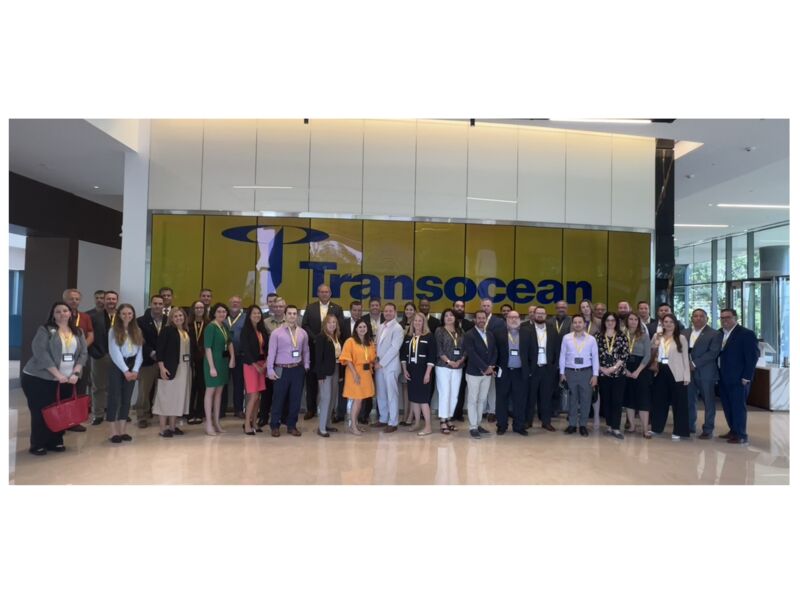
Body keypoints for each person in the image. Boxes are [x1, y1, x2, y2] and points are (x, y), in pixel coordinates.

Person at [21, 302, 88, 455]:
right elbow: (40, 353)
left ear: (70, 313)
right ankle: (38, 444)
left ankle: (55, 441)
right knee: (41, 412)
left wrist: (76, 372)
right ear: (53, 314)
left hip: (67, 379)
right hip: (39, 378)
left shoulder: (78, 331)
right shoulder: (45, 330)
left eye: (65, 310)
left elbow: (83, 353)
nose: (62, 314)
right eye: (58, 311)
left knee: (60, 411)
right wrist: (57, 375)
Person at [302, 284, 344, 421]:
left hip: (331, 352)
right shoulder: (310, 307)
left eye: (327, 292)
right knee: (312, 380)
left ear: (330, 293)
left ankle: (330, 411)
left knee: (331, 384)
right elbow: (305, 325)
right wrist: (317, 339)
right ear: (318, 293)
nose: (324, 294)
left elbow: (340, 328)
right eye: (322, 291)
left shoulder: (337, 308)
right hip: (314, 349)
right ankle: (311, 409)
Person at [267, 305, 310, 437]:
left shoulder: (302, 333)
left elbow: (306, 350)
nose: (292, 316)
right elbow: (271, 352)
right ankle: (275, 425)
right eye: (290, 313)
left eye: (294, 314)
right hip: (281, 369)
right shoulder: (276, 333)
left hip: (297, 369)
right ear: (285, 315)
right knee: (278, 399)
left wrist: (306, 365)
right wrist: (270, 369)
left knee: (295, 399)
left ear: (297, 316)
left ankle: (292, 425)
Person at [717, 308, 759, 444]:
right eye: (722, 318)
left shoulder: (746, 334)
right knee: (727, 405)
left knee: (738, 407)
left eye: (728, 317)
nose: (725, 320)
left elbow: (752, 357)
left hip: (739, 378)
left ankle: (741, 435)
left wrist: (747, 377)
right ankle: (733, 430)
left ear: (735, 318)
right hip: (723, 377)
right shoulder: (720, 333)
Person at [649, 314, 691, 440]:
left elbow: (685, 357)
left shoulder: (681, 338)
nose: (668, 324)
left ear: (675, 324)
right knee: (659, 401)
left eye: (671, 322)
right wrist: (655, 346)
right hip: (660, 370)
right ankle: (656, 428)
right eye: (665, 322)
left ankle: (679, 431)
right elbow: (651, 351)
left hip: (677, 372)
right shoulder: (657, 336)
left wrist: (686, 375)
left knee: (679, 403)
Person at [107, 303, 144, 444]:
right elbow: (114, 352)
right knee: (114, 397)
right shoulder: (113, 330)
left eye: (129, 313)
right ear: (119, 315)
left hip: (132, 365)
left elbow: (140, 353)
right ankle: (113, 431)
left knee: (126, 398)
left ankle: (122, 430)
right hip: (118, 365)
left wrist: (135, 370)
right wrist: (125, 370)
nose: (127, 316)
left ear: (133, 315)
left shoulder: (137, 330)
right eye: (123, 313)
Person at [683, 308, 722, 438]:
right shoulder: (685, 332)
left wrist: (694, 364)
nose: (698, 318)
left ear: (707, 319)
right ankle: (689, 426)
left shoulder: (715, 334)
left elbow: (713, 353)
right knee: (689, 400)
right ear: (692, 318)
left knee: (708, 402)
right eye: (695, 316)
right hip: (688, 372)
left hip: (706, 372)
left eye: (701, 316)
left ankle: (708, 429)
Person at [153, 308, 191, 437]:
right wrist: (162, 367)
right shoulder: (167, 330)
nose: (179, 318)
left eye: (181, 315)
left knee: (177, 398)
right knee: (165, 398)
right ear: (171, 318)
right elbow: (160, 350)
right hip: (170, 369)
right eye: (176, 316)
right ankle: (162, 429)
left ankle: (173, 427)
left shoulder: (185, 331)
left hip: (184, 369)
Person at [493, 310, 532, 436]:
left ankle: (519, 426)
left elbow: (533, 352)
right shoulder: (498, 333)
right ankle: (501, 425)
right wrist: (494, 368)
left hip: (520, 372)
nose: (513, 319)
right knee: (501, 400)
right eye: (511, 317)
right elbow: (494, 352)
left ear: (520, 319)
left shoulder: (527, 333)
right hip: (503, 371)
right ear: (506, 319)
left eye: (516, 317)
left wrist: (529, 369)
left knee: (520, 400)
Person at [559, 314, 599, 437]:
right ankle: (571, 424)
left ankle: (583, 425)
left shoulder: (591, 339)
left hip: (586, 372)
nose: (577, 324)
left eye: (580, 322)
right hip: (570, 372)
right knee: (572, 400)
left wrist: (595, 375)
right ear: (572, 324)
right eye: (575, 322)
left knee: (586, 400)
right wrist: (562, 373)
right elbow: (562, 355)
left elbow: (595, 358)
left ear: (584, 324)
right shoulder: (566, 338)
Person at [460, 310, 497, 438]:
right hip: (474, 373)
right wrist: (484, 367)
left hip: (487, 374)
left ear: (486, 319)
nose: (481, 320)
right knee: (473, 400)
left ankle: (478, 424)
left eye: (483, 318)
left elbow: (494, 351)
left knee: (482, 400)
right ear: (475, 320)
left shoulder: (490, 334)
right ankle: (473, 427)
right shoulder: (469, 334)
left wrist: (491, 366)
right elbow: (471, 353)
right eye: (479, 318)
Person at [62, 288, 94, 430]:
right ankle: (63, 419)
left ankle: (75, 421)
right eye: (71, 299)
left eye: (77, 299)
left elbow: (91, 334)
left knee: (80, 389)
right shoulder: (60, 315)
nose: (74, 301)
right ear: (65, 300)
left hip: (81, 358)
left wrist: (81, 348)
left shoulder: (85, 316)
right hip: (64, 359)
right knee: (65, 389)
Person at [400, 312, 435, 436]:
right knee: (414, 399)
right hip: (411, 371)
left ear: (424, 322)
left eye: (420, 321)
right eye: (415, 321)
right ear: (412, 322)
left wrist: (427, 373)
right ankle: (416, 423)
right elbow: (403, 355)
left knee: (423, 400)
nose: (417, 323)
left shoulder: (429, 336)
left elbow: (431, 356)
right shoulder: (408, 337)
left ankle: (428, 426)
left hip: (423, 371)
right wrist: (405, 370)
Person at [595, 312, 630, 439]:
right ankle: (609, 426)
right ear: (604, 322)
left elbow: (625, 354)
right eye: (608, 320)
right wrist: (602, 369)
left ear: (616, 322)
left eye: (613, 320)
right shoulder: (597, 336)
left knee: (617, 400)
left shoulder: (622, 336)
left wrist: (613, 368)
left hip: (618, 374)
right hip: (602, 373)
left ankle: (616, 428)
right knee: (606, 400)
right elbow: (593, 354)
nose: (610, 323)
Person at [203, 303, 235, 436]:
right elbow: (207, 348)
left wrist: (232, 358)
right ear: (214, 313)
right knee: (210, 392)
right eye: (219, 311)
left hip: (223, 363)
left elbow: (229, 343)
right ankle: (208, 424)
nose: (222, 314)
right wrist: (212, 367)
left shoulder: (224, 326)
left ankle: (216, 422)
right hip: (213, 363)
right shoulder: (211, 327)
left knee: (219, 393)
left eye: (224, 311)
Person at [135, 294, 167, 428]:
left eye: (160, 304)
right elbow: (139, 340)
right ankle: (142, 416)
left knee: (163, 389)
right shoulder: (140, 321)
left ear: (163, 305)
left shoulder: (168, 320)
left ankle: (162, 414)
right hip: (148, 360)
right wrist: (151, 352)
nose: (158, 306)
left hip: (164, 361)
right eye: (155, 303)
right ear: (150, 304)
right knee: (144, 390)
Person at [339, 321, 376, 436]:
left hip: (366, 374)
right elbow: (347, 359)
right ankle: (353, 426)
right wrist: (355, 373)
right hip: (354, 373)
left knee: (360, 400)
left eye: (364, 327)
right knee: (357, 400)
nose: (362, 329)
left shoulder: (369, 342)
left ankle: (355, 423)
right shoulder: (350, 341)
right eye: (360, 327)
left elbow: (372, 358)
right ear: (356, 329)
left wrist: (375, 363)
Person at [373, 302, 404, 433]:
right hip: (379, 365)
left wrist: (381, 363)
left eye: (390, 311)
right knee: (381, 393)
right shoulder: (381, 326)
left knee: (392, 394)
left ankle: (393, 422)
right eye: (386, 311)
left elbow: (394, 349)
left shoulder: (398, 328)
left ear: (395, 312)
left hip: (390, 366)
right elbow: (376, 344)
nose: (388, 313)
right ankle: (383, 418)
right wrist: (375, 359)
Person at [88, 290, 118, 425]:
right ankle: (98, 414)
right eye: (108, 299)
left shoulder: (122, 315)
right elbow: (89, 336)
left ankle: (114, 412)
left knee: (115, 386)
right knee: (98, 387)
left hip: (118, 357)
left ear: (117, 300)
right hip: (100, 355)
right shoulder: (94, 317)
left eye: (113, 299)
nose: (111, 301)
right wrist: (94, 352)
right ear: (104, 301)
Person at [621, 313, 653, 438]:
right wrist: (625, 370)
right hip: (625, 367)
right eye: (631, 319)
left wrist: (638, 371)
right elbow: (618, 354)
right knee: (629, 398)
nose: (633, 321)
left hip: (641, 369)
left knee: (643, 399)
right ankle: (632, 426)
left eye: (636, 319)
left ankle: (645, 429)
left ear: (639, 322)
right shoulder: (622, 335)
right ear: (627, 321)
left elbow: (648, 355)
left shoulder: (644, 336)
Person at [528, 306, 559, 431]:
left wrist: (554, 366)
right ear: (534, 315)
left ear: (546, 315)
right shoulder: (527, 329)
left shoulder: (552, 329)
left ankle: (546, 422)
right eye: (538, 313)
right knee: (530, 397)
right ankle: (528, 421)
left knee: (546, 397)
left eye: (542, 313)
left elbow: (556, 349)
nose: (540, 315)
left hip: (547, 369)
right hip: (533, 368)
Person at [434, 308, 465, 434]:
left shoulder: (460, 331)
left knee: (454, 394)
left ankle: (449, 418)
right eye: (446, 315)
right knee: (445, 393)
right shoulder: (439, 330)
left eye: (451, 315)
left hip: (458, 366)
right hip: (443, 366)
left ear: (455, 318)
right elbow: (438, 349)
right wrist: (449, 361)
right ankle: (443, 420)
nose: (449, 317)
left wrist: (461, 360)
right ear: (443, 318)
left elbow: (465, 348)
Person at [332, 300, 363, 424]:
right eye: (354, 310)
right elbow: (338, 341)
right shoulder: (343, 323)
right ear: (350, 311)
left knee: (361, 389)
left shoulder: (365, 324)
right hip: (345, 362)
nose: (357, 312)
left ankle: (361, 416)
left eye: (359, 310)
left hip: (360, 363)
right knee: (343, 388)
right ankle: (340, 414)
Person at [240, 305, 269, 435]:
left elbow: (266, 348)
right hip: (251, 365)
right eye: (254, 313)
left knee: (259, 397)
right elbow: (245, 350)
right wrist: (256, 366)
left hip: (262, 364)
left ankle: (255, 423)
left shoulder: (261, 329)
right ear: (249, 315)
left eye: (259, 313)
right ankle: (247, 424)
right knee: (254, 395)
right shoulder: (246, 330)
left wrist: (266, 363)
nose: (257, 315)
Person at [260, 296, 287, 427]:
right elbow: (263, 343)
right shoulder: (265, 322)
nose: (278, 309)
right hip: (270, 361)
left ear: (285, 307)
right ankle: (264, 417)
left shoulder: (291, 321)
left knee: (284, 391)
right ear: (272, 307)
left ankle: (283, 417)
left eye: (281, 306)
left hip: (285, 362)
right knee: (267, 391)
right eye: (276, 306)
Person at [314, 314, 342, 437]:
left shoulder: (336, 337)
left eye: (334, 322)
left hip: (336, 369)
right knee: (326, 398)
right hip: (325, 372)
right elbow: (318, 358)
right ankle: (321, 428)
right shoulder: (321, 337)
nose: (332, 325)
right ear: (325, 324)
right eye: (329, 322)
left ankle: (327, 424)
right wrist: (320, 375)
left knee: (333, 398)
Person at [222, 296, 247, 419]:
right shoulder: (223, 316)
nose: (235, 304)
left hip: (240, 355)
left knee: (239, 384)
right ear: (229, 304)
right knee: (222, 383)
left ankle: (238, 409)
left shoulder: (246, 318)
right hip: (224, 355)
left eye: (237, 302)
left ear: (241, 304)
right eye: (233, 302)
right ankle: (221, 409)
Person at [451, 299, 473, 422]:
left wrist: (463, 359)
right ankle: (449, 412)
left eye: (462, 306)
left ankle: (458, 413)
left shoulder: (469, 324)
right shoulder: (448, 323)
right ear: (453, 307)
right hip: (449, 362)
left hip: (465, 361)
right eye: (457, 306)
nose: (459, 308)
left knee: (461, 388)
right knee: (450, 388)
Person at [187, 301, 208, 425]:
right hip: (190, 359)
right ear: (193, 309)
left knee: (202, 386)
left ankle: (200, 412)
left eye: (201, 307)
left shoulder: (209, 324)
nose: (199, 309)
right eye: (197, 307)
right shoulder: (188, 324)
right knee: (190, 387)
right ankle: (189, 412)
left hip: (204, 359)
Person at [398, 302, 417, 426]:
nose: (409, 311)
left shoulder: (418, 324)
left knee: (413, 388)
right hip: (402, 359)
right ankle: (405, 414)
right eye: (407, 309)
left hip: (414, 360)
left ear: (415, 311)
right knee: (405, 388)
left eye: (411, 309)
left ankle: (411, 415)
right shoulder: (400, 325)